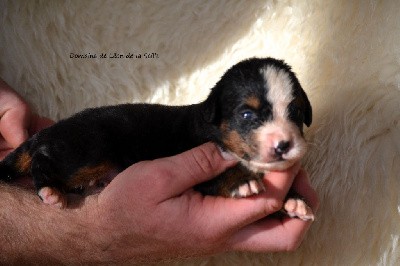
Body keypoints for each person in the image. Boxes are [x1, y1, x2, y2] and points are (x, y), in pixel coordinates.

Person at [0, 79, 318, 264]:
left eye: (292, 113)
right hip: (101, 139)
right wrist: (87, 233)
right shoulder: (210, 137)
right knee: (86, 155)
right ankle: (43, 170)